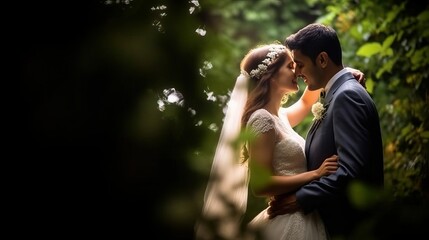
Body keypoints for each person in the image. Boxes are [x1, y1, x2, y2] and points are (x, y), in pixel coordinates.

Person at [195, 42, 365, 240]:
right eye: (290, 66)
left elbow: (305, 101)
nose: (298, 72)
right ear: (271, 75)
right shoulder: (261, 119)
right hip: (289, 217)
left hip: (304, 212)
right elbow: (260, 185)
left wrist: (341, 73)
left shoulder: (279, 117)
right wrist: (315, 174)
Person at [267, 23, 384, 239]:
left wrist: (300, 199)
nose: (297, 72)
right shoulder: (337, 93)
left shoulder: (346, 96)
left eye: (300, 65)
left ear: (322, 60)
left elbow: (351, 170)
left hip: (349, 226)